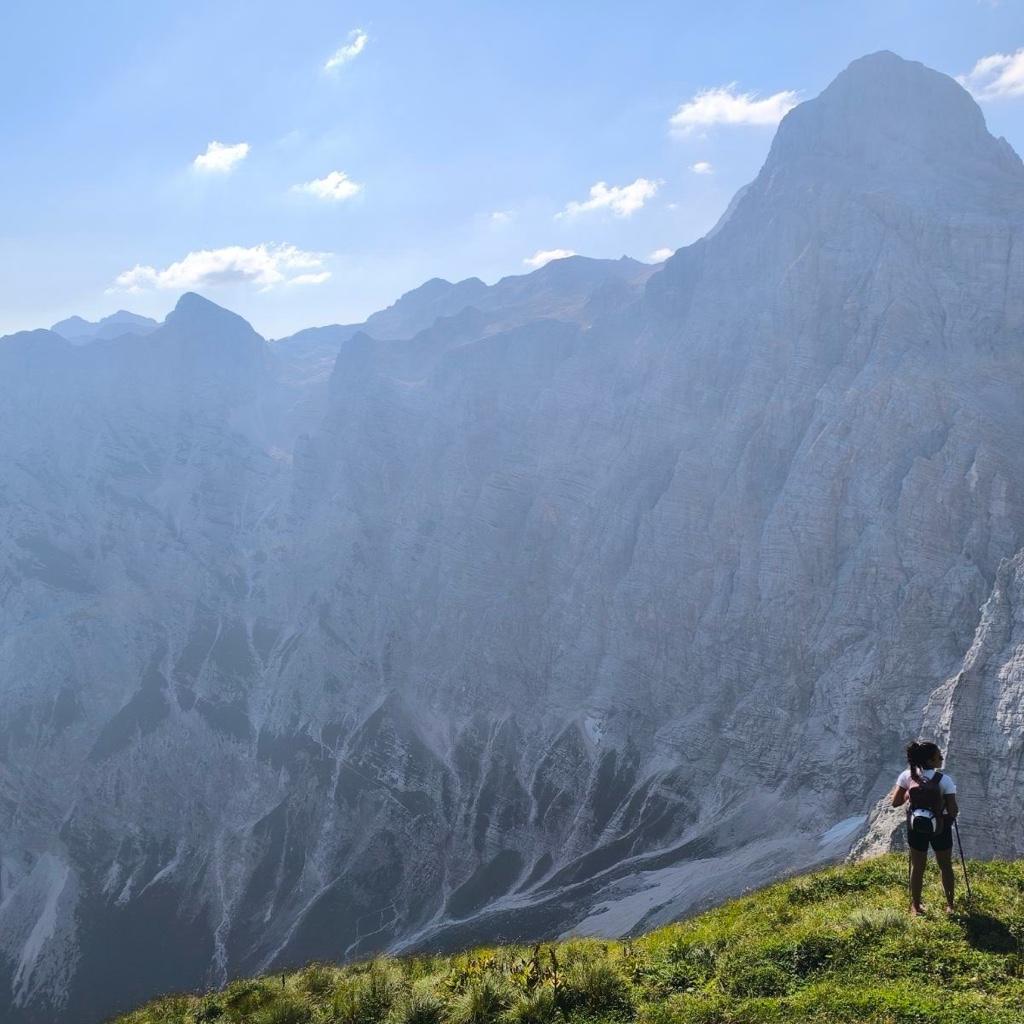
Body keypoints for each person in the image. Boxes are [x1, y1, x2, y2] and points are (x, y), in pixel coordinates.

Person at [890, 741, 959, 915]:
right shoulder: (945, 780)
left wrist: (909, 791)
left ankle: (916, 905)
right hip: (940, 827)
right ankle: (950, 905)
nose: (941, 758)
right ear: (930, 761)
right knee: (945, 866)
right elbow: (953, 810)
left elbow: (895, 802)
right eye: (938, 756)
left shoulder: (906, 776)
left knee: (917, 866)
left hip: (916, 826)